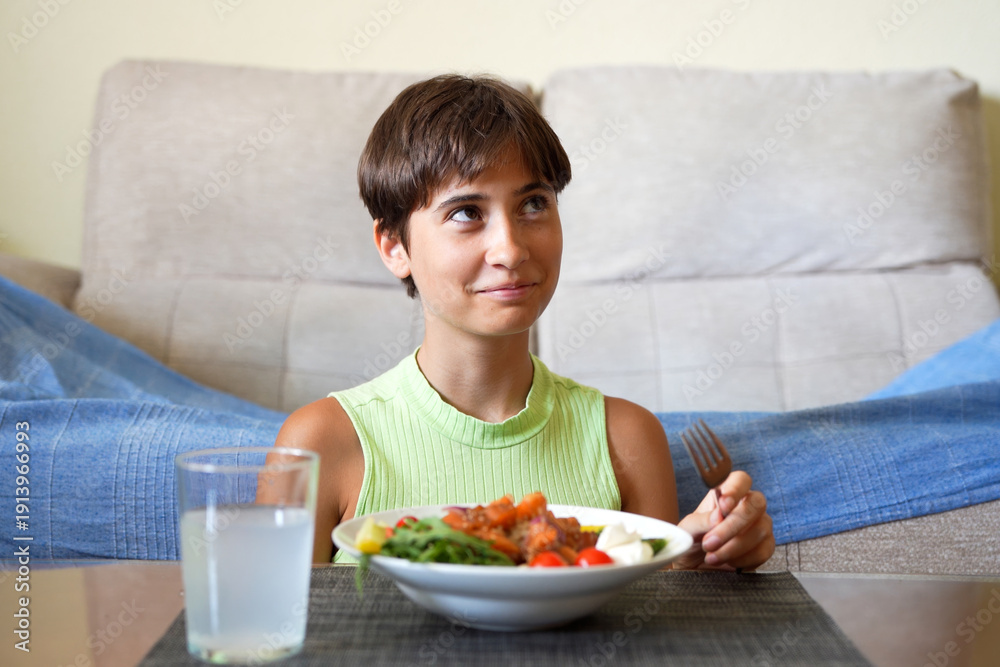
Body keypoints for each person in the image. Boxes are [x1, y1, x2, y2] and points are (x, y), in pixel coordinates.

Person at [271, 74, 774, 569]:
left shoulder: (627, 438)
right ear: (394, 247)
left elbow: (646, 612)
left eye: (533, 204)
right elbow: (274, 615)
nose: (510, 250)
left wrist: (698, 562)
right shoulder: (320, 443)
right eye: (466, 212)